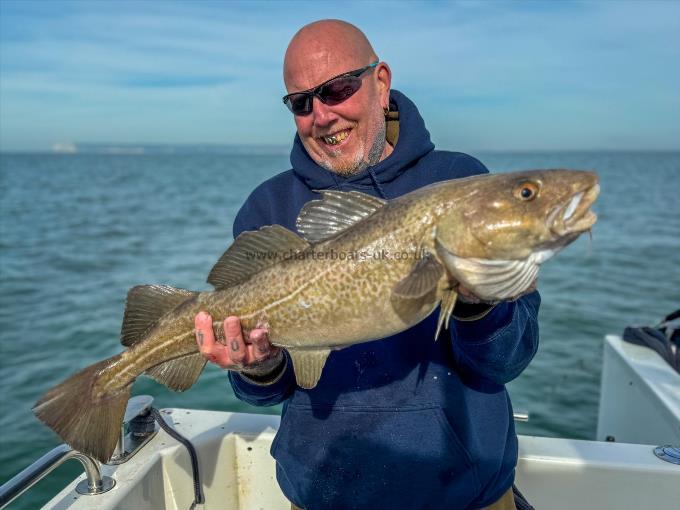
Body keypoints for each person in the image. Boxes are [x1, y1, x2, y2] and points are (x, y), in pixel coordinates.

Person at [194, 19, 540, 510]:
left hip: (464, 494)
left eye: (337, 89)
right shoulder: (268, 208)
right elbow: (264, 392)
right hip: (322, 493)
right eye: (301, 102)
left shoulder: (460, 182)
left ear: (380, 83)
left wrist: (479, 305)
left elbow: (510, 358)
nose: (322, 114)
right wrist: (261, 365)